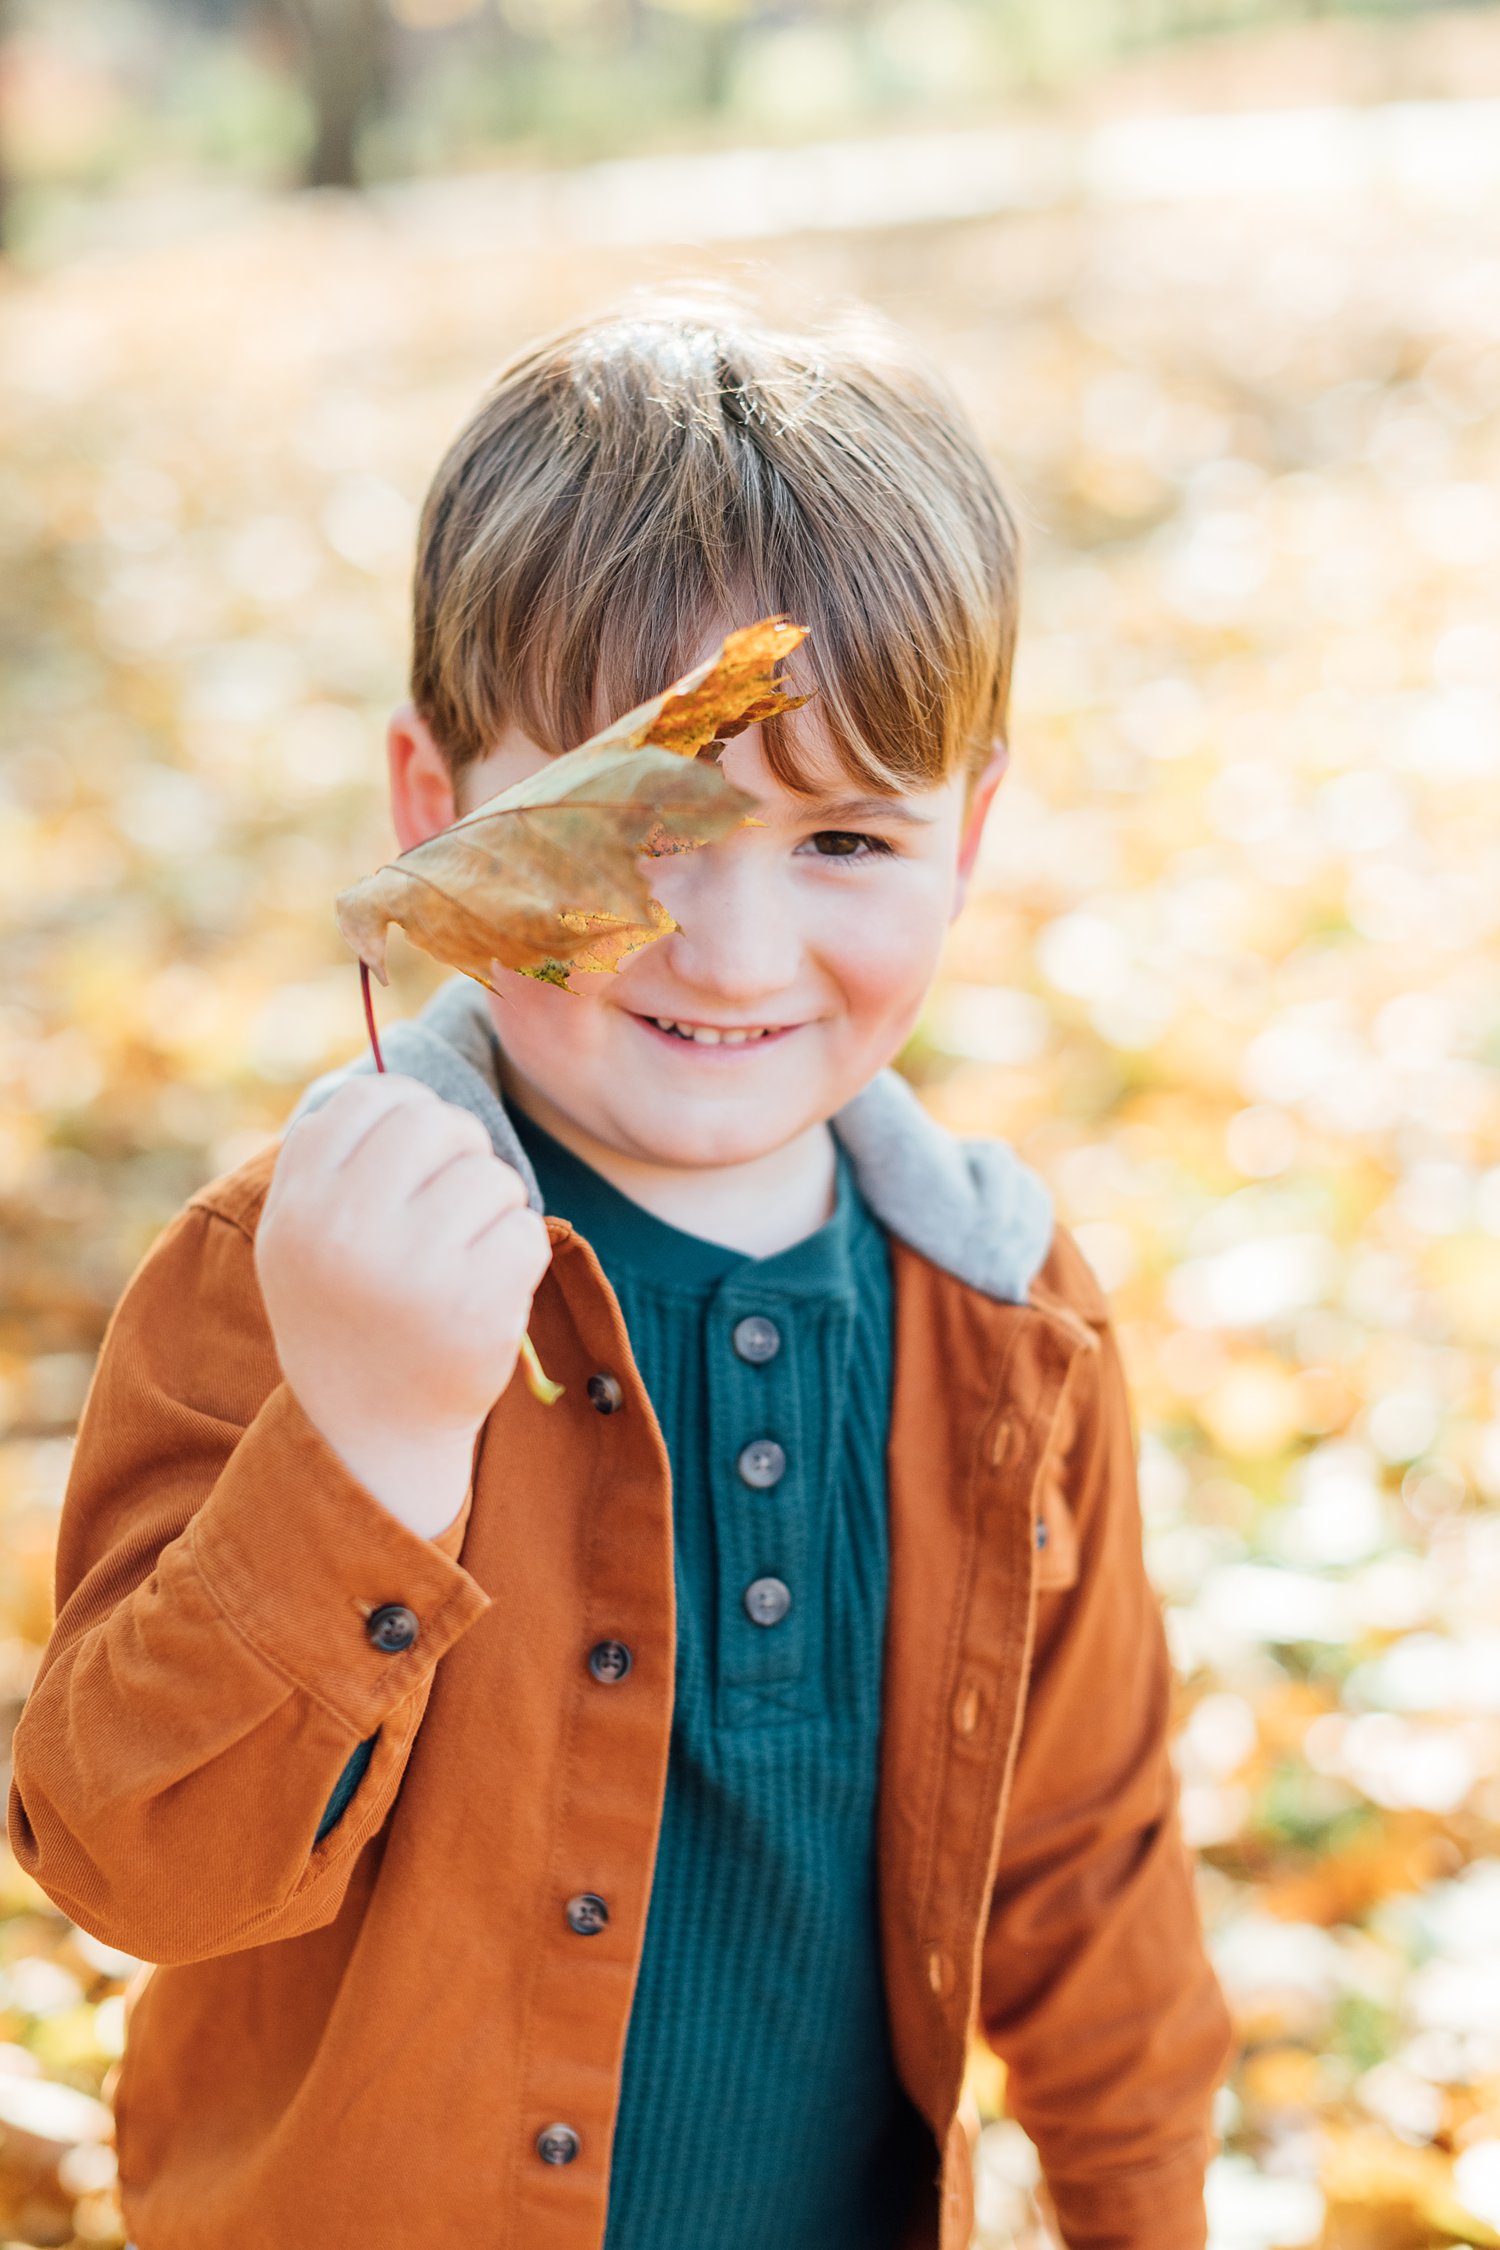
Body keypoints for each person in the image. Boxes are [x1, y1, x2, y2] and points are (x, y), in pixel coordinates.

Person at [9, 293, 1235, 2250]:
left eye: (844, 838)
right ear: (441, 817)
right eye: (641, 833)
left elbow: (1091, 1871)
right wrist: (370, 1446)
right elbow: (132, 1865)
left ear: (972, 836)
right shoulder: (282, 1279)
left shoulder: (1003, 1321)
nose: (737, 955)